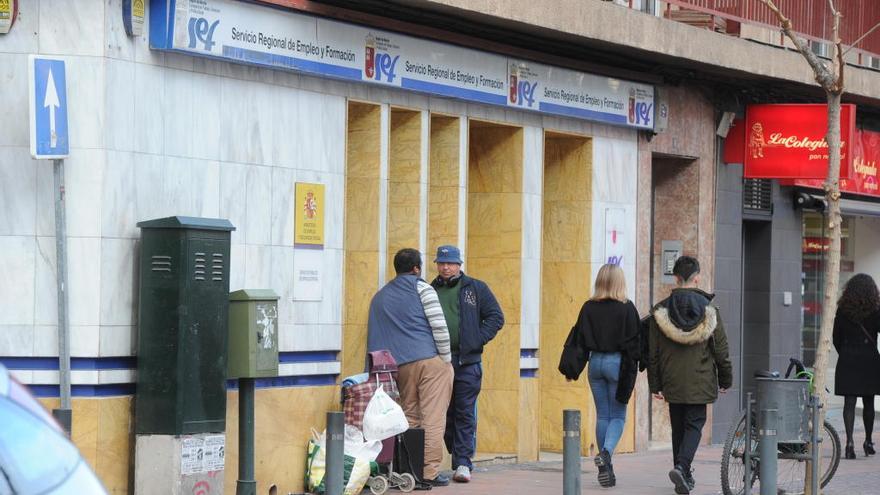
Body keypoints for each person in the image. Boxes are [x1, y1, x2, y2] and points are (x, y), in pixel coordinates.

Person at [367, 248, 454, 486]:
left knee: (409, 416)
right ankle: (429, 472)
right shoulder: (423, 288)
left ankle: (410, 469)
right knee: (433, 418)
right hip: (430, 361)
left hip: (401, 366)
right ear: (417, 268)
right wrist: (446, 360)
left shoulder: (381, 296)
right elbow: (439, 326)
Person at [647, 256, 732, 495]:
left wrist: (655, 384)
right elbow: (721, 350)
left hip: (672, 379)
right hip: (700, 378)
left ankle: (681, 473)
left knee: (678, 427)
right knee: (694, 424)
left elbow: (652, 352)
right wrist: (726, 379)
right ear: (697, 278)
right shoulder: (710, 311)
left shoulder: (660, 311)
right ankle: (682, 468)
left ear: (675, 278)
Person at [558, 264, 640, 488]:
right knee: (618, 416)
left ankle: (607, 468)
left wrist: (571, 370)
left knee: (603, 415)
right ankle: (606, 453)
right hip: (617, 364)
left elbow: (578, 339)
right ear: (620, 282)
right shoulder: (627, 308)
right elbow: (635, 345)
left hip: (595, 364)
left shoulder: (588, 307)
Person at [428, 245, 504, 483]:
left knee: (464, 411)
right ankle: (456, 451)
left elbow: (496, 317)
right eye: (441, 263)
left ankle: (462, 462)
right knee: (444, 413)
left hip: (467, 362)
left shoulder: (475, 288)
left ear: (459, 264)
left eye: (450, 263)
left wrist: (476, 339)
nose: (446, 267)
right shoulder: (430, 289)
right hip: (439, 362)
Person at [832, 273, 880, 459]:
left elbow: (836, 338)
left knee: (849, 403)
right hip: (870, 360)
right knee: (868, 402)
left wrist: (845, 352)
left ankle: (849, 442)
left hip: (848, 359)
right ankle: (868, 441)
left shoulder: (842, 310)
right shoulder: (876, 310)